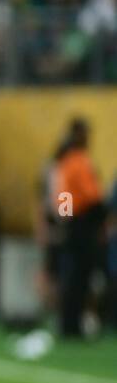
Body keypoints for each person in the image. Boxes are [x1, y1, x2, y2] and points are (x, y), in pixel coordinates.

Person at [52, 118, 105, 337]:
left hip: (74, 224)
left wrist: (65, 221)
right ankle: (72, 325)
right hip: (83, 224)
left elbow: (62, 196)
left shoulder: (66, 162)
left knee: (72, 276)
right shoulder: (79, 161)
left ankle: (69, 323)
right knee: (80, 277)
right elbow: (93, 198)